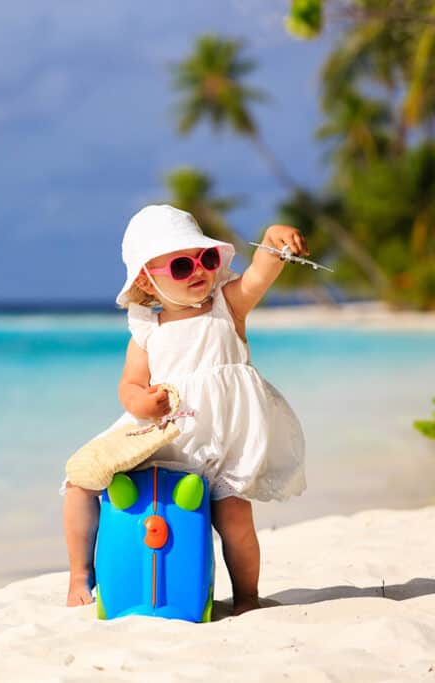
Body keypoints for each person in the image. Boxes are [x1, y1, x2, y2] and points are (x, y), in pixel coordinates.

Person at [62, 204, 307, 617]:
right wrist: (141, 402)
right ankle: (77, 576)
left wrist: (271, 243)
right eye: (180, 265)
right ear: (146, 280)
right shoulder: (147, 332)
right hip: (165, 441)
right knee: (79, 481)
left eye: (206, 258)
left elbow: (258, 277)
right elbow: (130, 384)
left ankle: (247, 595)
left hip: (222, 445)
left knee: (235, 520)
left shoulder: (227, 307)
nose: (198, 270)